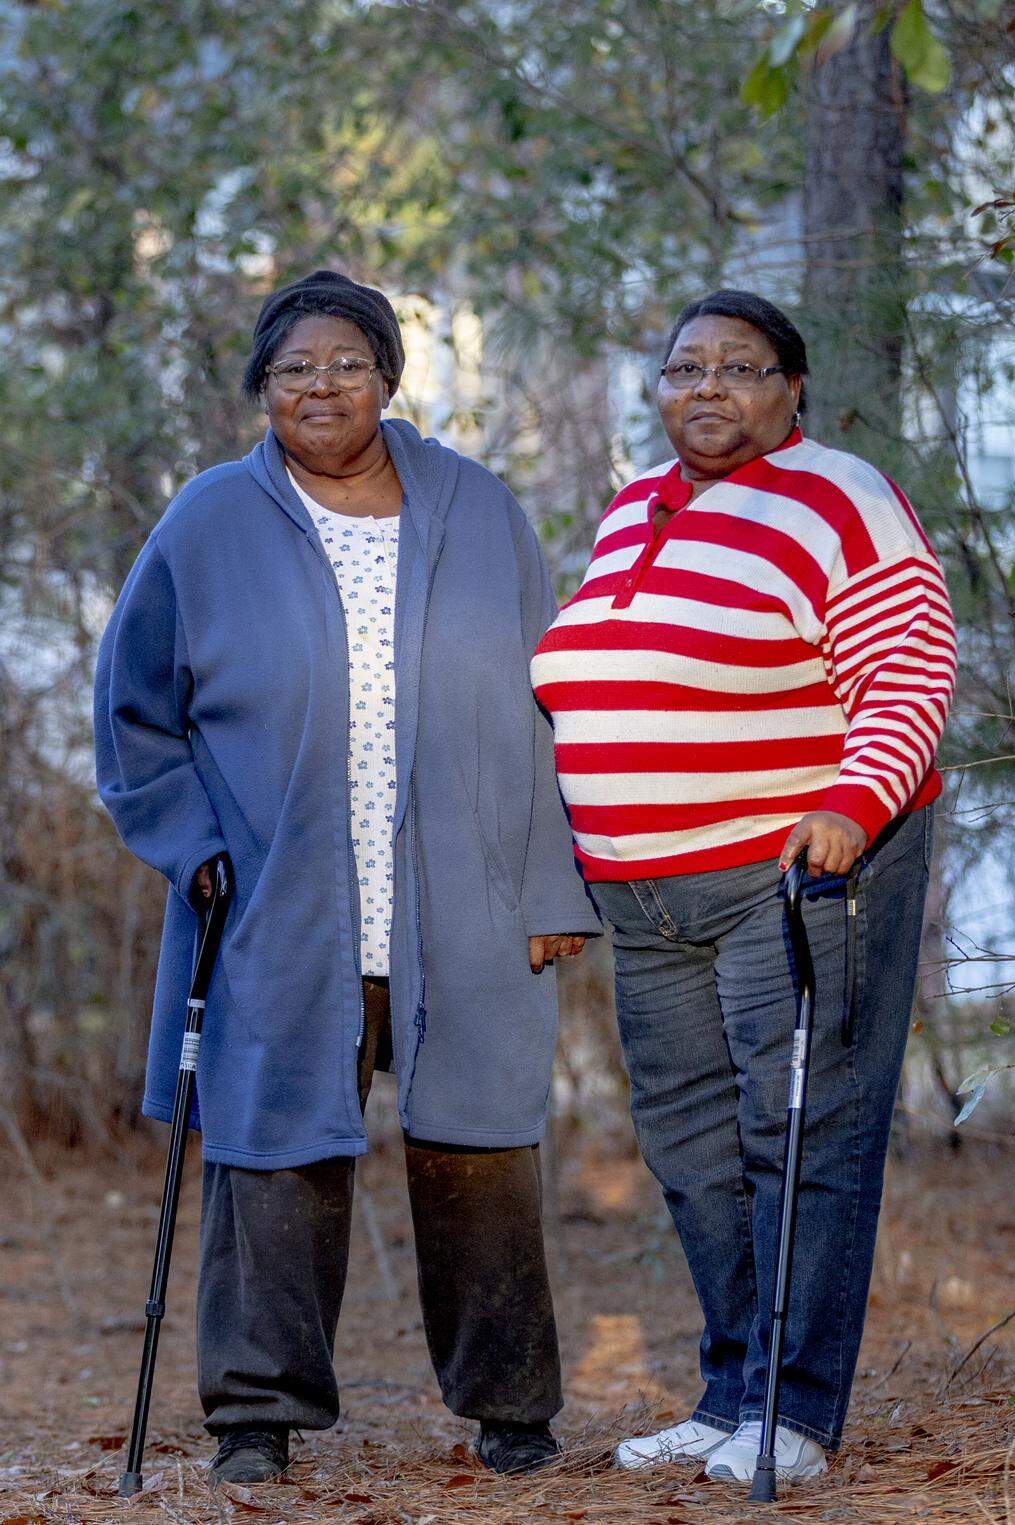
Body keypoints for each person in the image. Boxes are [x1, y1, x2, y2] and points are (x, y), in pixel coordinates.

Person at [94, 269, 597, 1485]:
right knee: (270, 1156)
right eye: (293, 370)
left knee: (482, 1147)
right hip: (278, 902)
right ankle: (254, 1416)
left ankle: (513, 1413)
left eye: (347, 364)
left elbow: (548, 712)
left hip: (460, 902)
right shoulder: (207, 521)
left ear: (389, 375)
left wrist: (549, 887)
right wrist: (197, 845)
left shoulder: (478, 509)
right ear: (260, 388)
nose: (322, 387)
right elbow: (134, 717)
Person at [532, 289, 956, 1487]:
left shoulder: (838, 493)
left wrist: (855, 801)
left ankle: (796, 1410)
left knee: (803, 1133)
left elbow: (910, 662)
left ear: (793, 389)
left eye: (740, 367)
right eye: (684, 368)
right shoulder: (634, 508)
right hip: (646, 904)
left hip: (791, 880)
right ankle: (732, 1392)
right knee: (690, 1149)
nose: (707, 388)